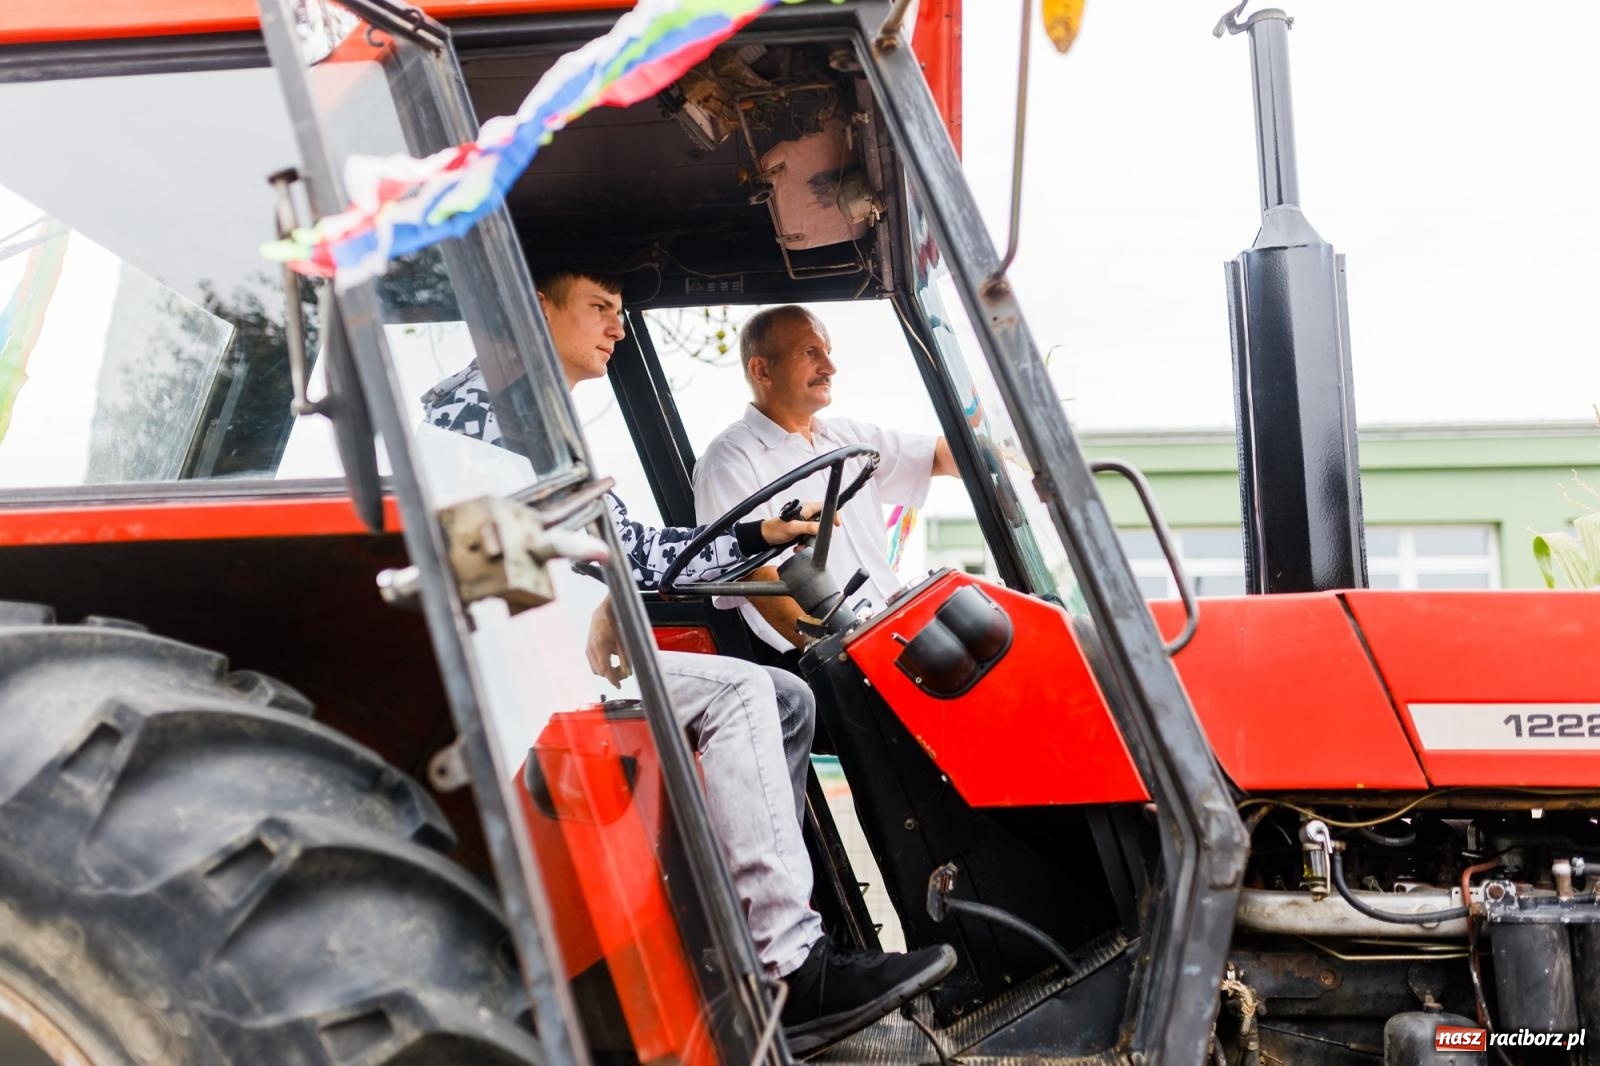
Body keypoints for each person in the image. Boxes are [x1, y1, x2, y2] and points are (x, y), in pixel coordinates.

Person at [423, 270, 955, 1054]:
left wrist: (754, 539)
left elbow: (618, 548)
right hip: (516, 662)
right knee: (747, 691)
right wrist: (613, 589)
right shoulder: (484, 410)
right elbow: (597, 551)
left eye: (620, 312)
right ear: (537, 308)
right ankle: (789, 973)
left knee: (785, 699)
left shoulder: (531, 414)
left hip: (544, 641)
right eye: (599, 309)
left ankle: (789, 934)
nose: (617, 328)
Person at [692, 305, 960, 661]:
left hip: (896, 634)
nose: (830, 368)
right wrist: (833, 655)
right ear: (762, 370)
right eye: (809, 352)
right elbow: (757, 578)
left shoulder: (845, 438)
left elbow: (943, 456)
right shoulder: (730, 460)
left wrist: (1015, 443)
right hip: (834, 662)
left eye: (828, 352)